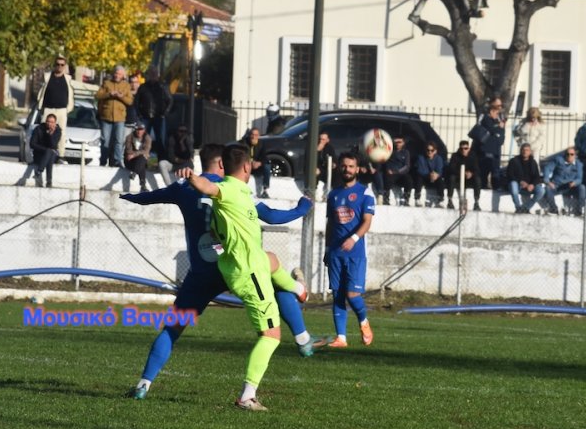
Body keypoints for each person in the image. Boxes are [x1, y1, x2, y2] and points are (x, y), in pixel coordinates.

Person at [122, 143, 322, 402]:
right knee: (274, 279)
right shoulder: (235, 190)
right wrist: (301, 209)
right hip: (233, 266)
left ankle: (143, 384)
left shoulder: (183, 188)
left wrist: (130, 197)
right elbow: (271, 216)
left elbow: (149, 198)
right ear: (221, 164)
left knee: (172, 329)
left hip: (202, 274)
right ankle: (302, 337)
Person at [185, 144, 286, 411]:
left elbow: (220, 235)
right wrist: (192, 177)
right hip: (250, 273)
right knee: (271, 335)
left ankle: (299, 289)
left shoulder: (240, 193)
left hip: (250, 267)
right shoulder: (228, 189)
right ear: (246, 166)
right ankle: (247, 396)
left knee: (272, 259)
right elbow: (209, 188)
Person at [325, 152, 375, 348]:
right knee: (337, 294)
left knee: (352, 295)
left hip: (355, 253)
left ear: (358, 169)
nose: (347, 169)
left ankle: (363, 322)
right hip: (336, 252)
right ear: (339, 167)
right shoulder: (333, 194)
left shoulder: (365, 193)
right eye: (344, 166)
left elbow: (367, 222)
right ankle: (341, 338)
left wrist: (353, 239)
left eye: (351, 166)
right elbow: (330, 223)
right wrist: (328, 248)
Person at [94, 65, 133, 167]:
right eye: (116, 73)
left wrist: (121, 97)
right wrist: (109, 94)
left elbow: (130, 101)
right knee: (105, 141)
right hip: (106, 116)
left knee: (119, 141)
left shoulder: (126, 86)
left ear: (123, 75)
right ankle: (103, 161)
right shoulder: (107, 83)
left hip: (120, 118)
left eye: (119, 74)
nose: (117, 75)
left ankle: (117, 161)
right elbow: (98, 95)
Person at [36, 55, 75, 155]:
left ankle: (60, 155)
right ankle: (42, 153)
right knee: (44, 132)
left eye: (62, 65)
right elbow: (41, 92)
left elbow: (70, 95)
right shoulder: (47, 77)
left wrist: (68, 109)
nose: (60, 67)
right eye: (57, 64)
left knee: (61, 133)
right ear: (54, 65)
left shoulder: (68, 79)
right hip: (48, 109)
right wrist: (41, 106)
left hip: (61, 110)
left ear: (65, 66)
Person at [135, 68, 173, 160]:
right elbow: (136, 102)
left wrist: (165, 113)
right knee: (143, 139)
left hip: (159, 116)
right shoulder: (143, 87)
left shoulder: (162, 87)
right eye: (151, 74)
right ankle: (142, 158)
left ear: (158, 76)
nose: (152, 76)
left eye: (154, 74)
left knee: (160, 139)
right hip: (145, 116)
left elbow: (170, 100)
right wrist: (139, 114)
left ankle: (162, 159)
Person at [472, 96, 506, 190]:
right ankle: (483, 186)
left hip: (496, 147)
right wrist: (497, 125)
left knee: (495, 169)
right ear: (492, 105)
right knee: (485, 169)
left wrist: (501, 138)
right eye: (498, 105)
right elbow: (491, 128)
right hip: (486, 147)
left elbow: (502, 130)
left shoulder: (501, 116)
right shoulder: (485, 116)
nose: (500, 107)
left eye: (501, 105)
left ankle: (496, 187)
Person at [506, 142, 545, 214]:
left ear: (530, 152)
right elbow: (510, 175)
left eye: (527, 150)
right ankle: (518, 207)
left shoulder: (533, 162)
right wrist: (520, 182)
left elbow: (537, 177)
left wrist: (532, 184)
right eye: (523, 150)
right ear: (520, 151)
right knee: (513, 184)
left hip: (529, 187)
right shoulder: (514, 161)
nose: (525, 151)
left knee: (541, 190)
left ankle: (526, 208)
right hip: (518, 185)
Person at [543, 147, 583, 216]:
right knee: (547, 188)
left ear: (575, 155)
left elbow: (579, 178)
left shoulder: (579, 164)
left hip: (570, 187)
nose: (569, 156)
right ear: (565, 155)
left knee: (582, 188)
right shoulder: (558, 160)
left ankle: (579, 210)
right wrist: (548, 181)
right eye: (567, 154)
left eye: (572, 154)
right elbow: (547, 168)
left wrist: (574, 182)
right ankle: (554, 209)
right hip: (557, 186)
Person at [446, 139, 481, 211]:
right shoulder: (455, 156)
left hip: (469, 179)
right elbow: (451, 169)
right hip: (458, 178)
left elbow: (477, 169)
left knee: (477, 179)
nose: (463, 150)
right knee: (451, 177)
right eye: (461, 149)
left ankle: (476, 202)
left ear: (469, 148)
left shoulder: (473, 156)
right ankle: (450, 200)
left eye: (465, 148)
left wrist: (471, 174)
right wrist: (462, 173)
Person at [29, 113, 62, 188]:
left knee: (51, 153)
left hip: (51, 155)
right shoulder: (39, 129)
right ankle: (49, 181)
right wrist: (45, 150)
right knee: (50, 152)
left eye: (52, 122)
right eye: (48, 121)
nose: (49, 124)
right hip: (39, 154)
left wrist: (50, 135)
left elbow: (53, 145)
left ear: (55, 123)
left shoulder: (57, 131)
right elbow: (32, 144)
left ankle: (39, 171)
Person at [381, 135, 413, 206]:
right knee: (387, 179)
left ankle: (406, 199)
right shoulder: (389, 151)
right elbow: (385, 162)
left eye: (399, 142)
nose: (397, 144)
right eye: (396, 142)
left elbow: (407, 166)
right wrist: (388, 170)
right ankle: (386, 199)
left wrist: (397, 171)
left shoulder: (406, 152)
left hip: (401, 173)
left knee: (409, 180)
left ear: (403, 143)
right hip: (391, 173)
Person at [413, 141, 446, 207]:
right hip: (424, 177)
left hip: (434, 177)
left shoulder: (438, 158)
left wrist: (436, 175)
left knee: (440, 181)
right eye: (428, 150)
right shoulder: (421, 157)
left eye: (432, 150)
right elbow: (420, 170)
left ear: (435, 151)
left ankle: (440, 200)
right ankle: (417, 199)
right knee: (419, 179)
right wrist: (429, 174)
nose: (430, 152)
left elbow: (439, 170)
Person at [241, 127, 270, 199]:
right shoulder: (244, 143)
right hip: (247, 165)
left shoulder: (262, 144)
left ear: (258, 136)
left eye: (256, 135)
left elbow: (265, 157)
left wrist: (259, 163)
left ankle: (265, 190)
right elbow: (241, 155)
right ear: (249, 135)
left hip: (257, 166)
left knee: (267, 166)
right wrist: (250, 162)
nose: (254, 137)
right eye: (252, 134)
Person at [124, 122, 151, 193]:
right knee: (142, 162)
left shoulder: (147, 138)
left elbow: (146, 151)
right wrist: (135, 154)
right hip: (130, 161)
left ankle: (135, 173)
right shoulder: (129, 137)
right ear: (135, 130)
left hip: (140, 161)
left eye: (141, 129)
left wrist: (135, 154)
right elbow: (129, 151)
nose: (139, 131)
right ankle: (143, 185)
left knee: (142, 158)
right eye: (137, 129)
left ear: (144, 130)